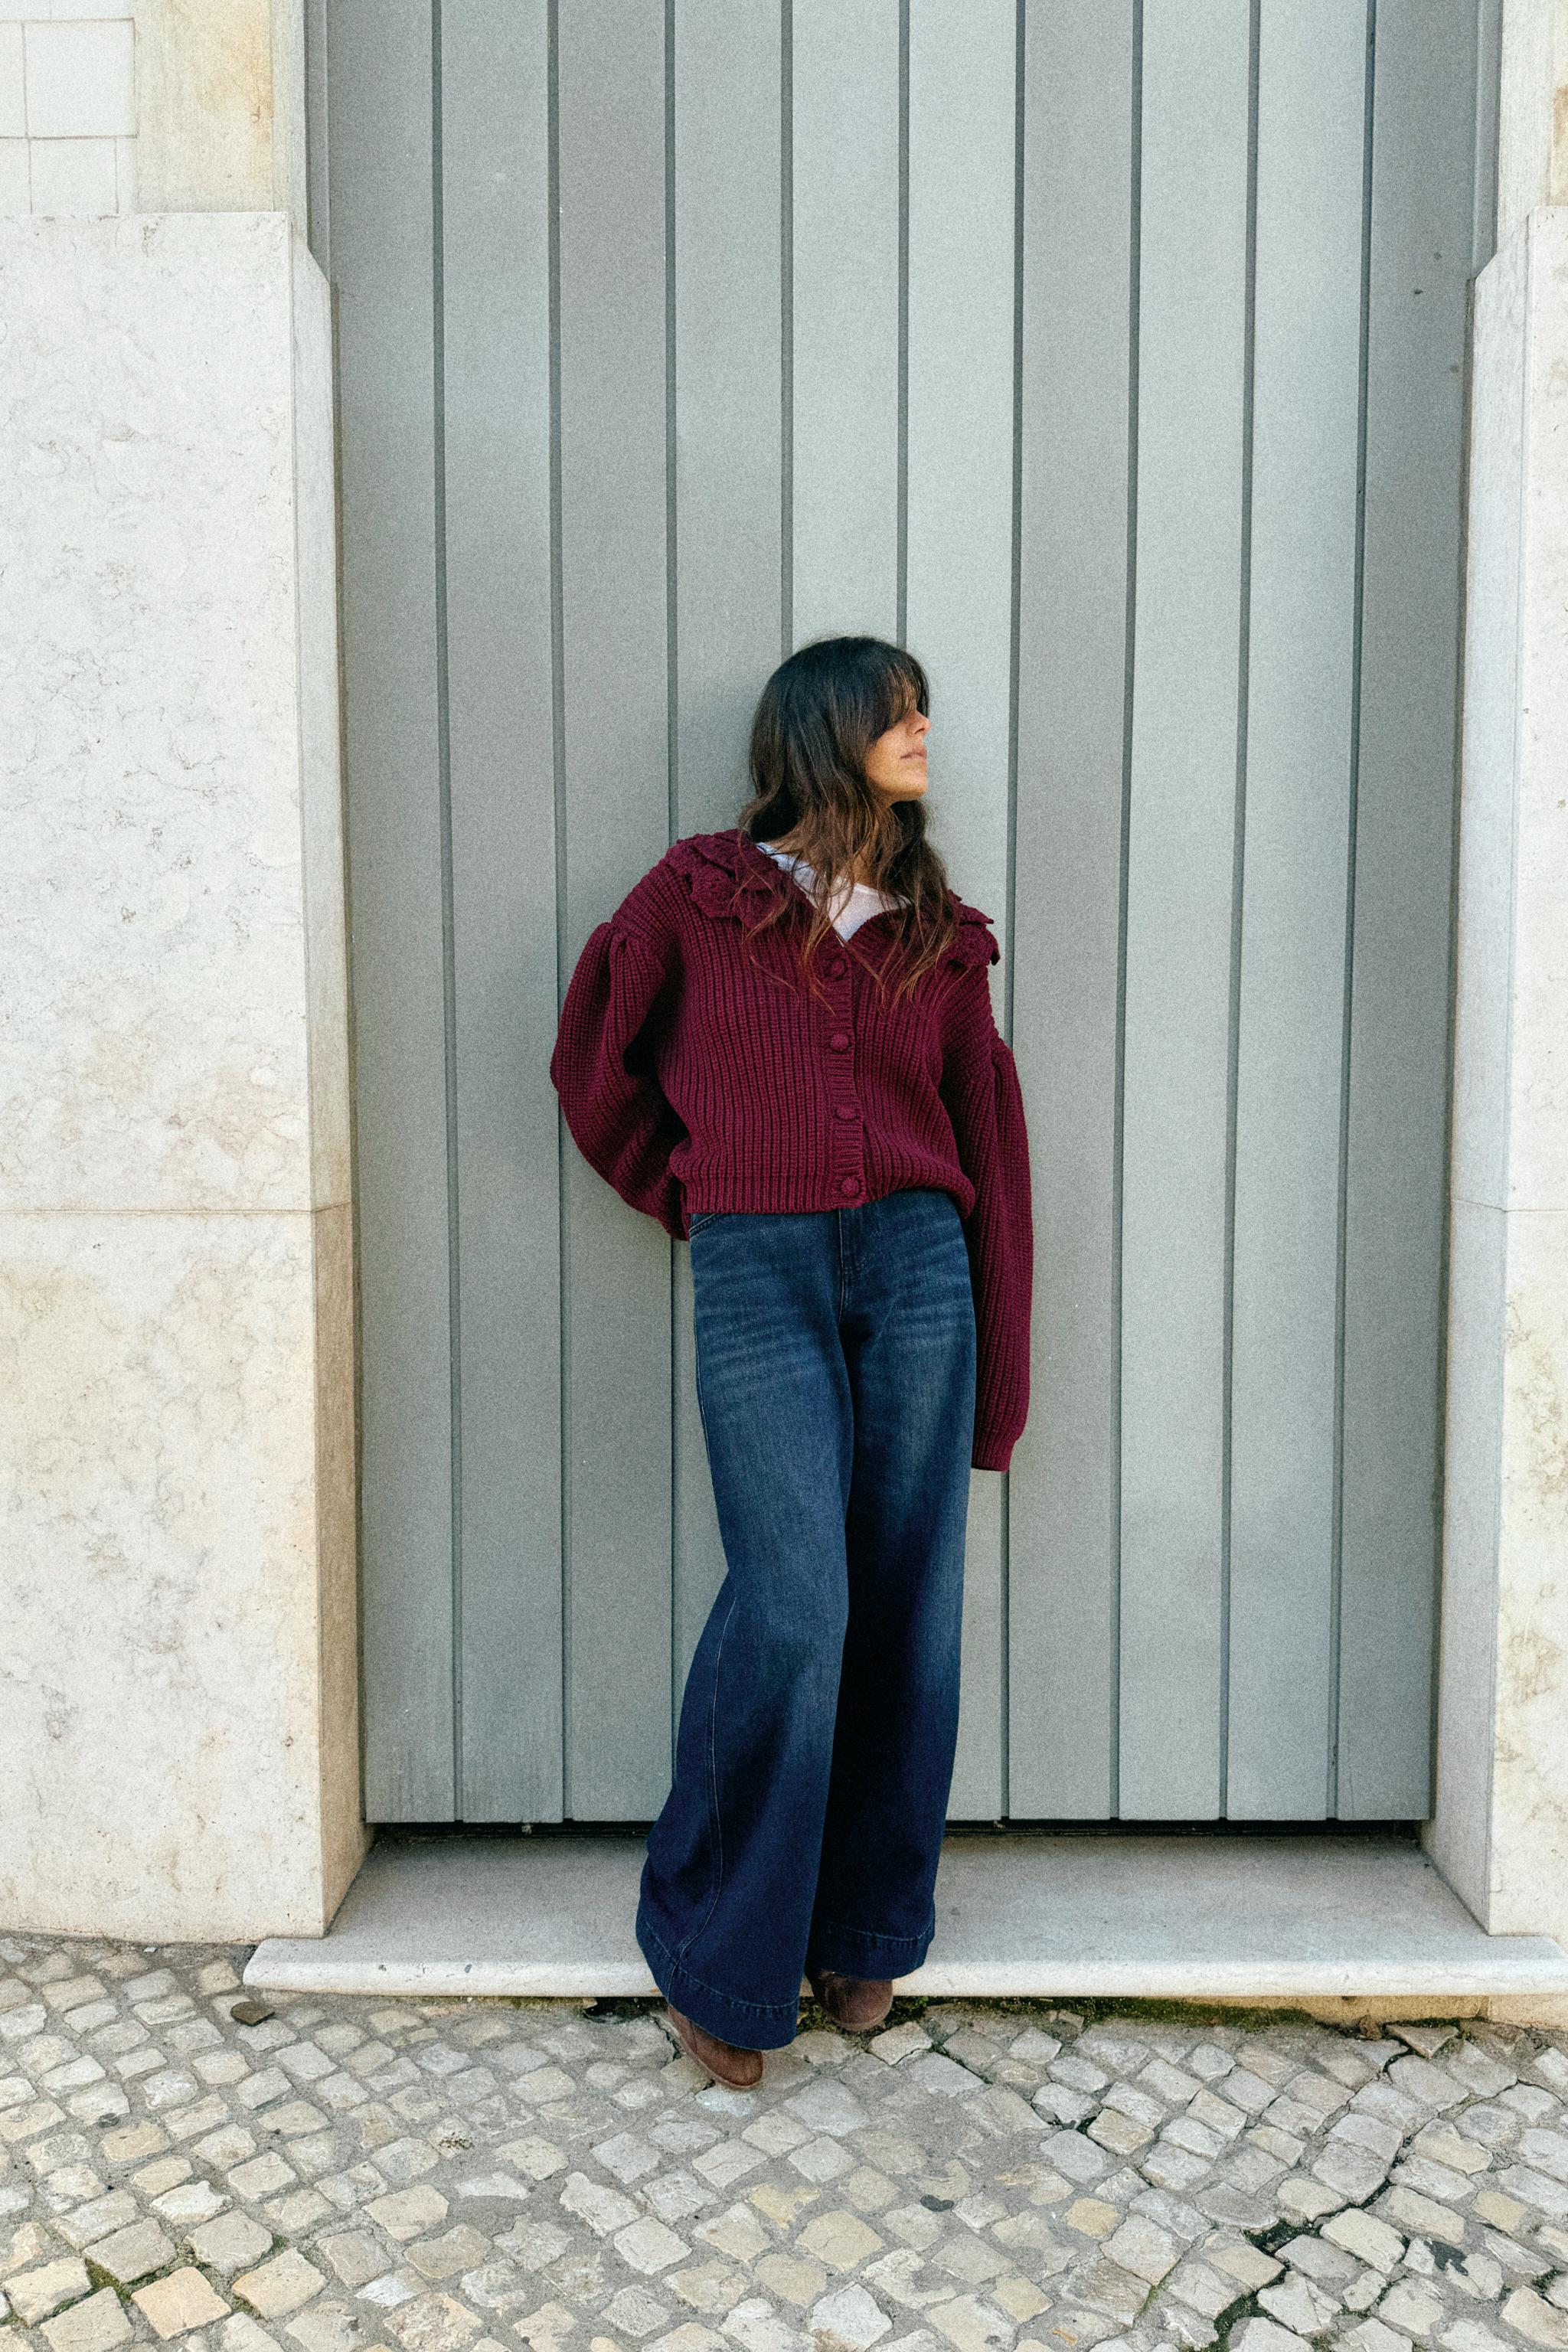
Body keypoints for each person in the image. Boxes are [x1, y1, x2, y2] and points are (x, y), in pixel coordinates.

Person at [549, 635, 1033, 2088]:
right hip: (760, 1271)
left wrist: (1000, 1377)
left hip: (919, 1274)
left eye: (923, 706)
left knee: (905, 1606)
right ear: (822, 730)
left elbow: (991, 1158)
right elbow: (593, 1063)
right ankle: (724, 1952)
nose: (924, 727)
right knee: (797, 1604)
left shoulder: (940, 934)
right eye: (896, 708)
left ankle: (868, 1924)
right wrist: (698, 1197)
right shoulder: (696, 897)